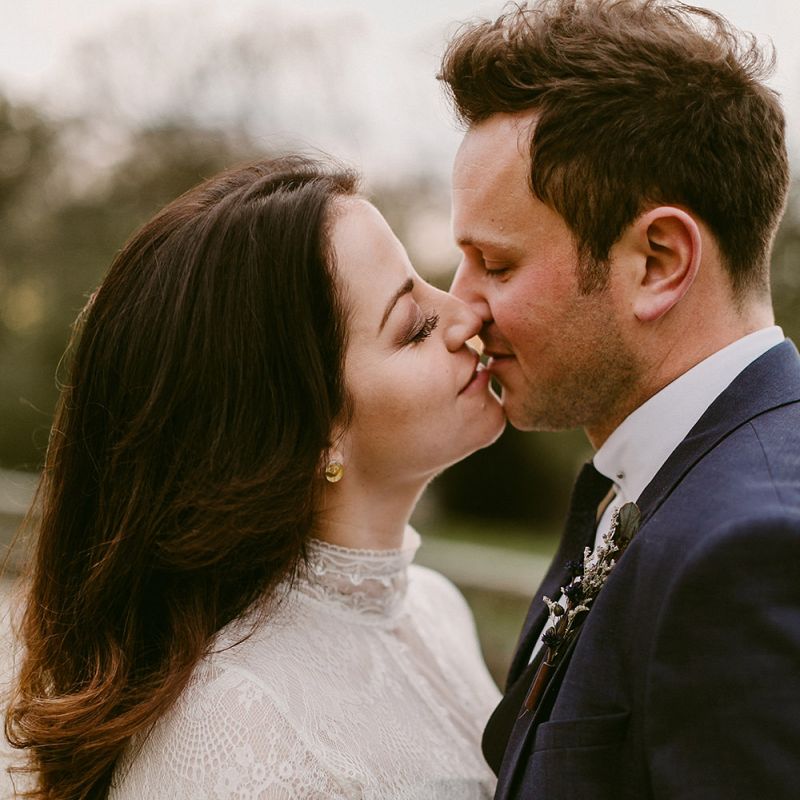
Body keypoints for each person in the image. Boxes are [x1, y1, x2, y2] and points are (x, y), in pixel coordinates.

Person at [4, 156, 506, 799]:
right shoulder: (233, 731)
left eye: (424, 285)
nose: (464, 316)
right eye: (414, 328)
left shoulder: (438, 610)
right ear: (308, 431)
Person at [440, 1, 800, 798]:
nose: (460, 309)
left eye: (495, 265)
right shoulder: (650, 484)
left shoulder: (753, 551)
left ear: (657, 262)